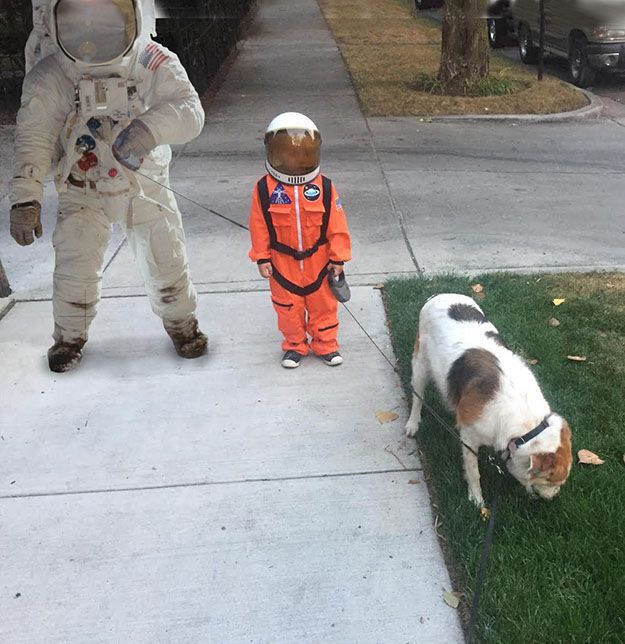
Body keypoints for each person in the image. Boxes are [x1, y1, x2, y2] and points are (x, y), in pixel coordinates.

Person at [9, 0, 207, 373]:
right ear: (55, 20)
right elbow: (33, 136)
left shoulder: (149, 59)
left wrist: (149, 130)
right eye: (79, 19)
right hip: (82, 187)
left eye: (105, 15)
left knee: (166, 259)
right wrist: (25, 198)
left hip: (142, 182)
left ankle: (183, 325)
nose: (92, 28)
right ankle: (69, 339)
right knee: (75, 266)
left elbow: (189, 110)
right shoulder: (54, 75)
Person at [248, 112, 351, 369]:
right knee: (287, 309)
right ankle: (294, 346)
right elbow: (258, 225)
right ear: (275, 153)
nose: (295, 159)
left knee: (323, 306)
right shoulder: (264, 190)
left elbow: (337, 225)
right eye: (289, 153)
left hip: (318, 262)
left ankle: (326, 345)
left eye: (302, 153)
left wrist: (338, 257)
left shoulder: (324, 187)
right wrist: (261, 257)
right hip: (282, 265)